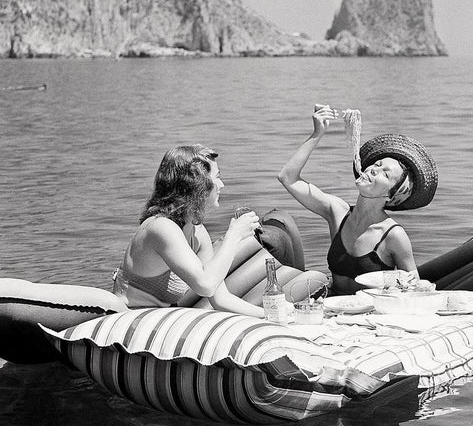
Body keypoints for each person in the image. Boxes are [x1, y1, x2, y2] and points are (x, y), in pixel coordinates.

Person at [277, 107, 435, 293]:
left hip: (371, 315)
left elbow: (414, 288)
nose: (373, 169)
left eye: (385, 173)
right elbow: (288, 177)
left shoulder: (393, 235)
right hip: (332, 307)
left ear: (393, 195)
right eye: (376, 164)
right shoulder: (337, 211)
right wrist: (317, 134)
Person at [115, 144, 267, 317]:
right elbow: (206, 284)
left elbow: (220, 298)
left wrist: (271, 315)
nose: (222, 184)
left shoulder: (197, 232)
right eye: (216, 177)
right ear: (197, 184)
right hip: (130, 319)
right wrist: (233, 236)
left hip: (160, 316)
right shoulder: (161, 227)